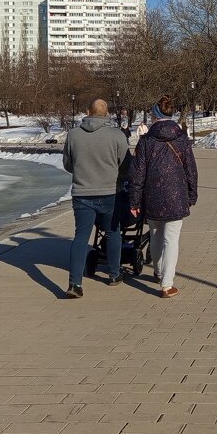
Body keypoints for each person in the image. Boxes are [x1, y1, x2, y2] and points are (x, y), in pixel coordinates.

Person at [129, 94, 198, 298]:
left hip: (152, 195)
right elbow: (191, 170)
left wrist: (134, 200)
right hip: (177, 195)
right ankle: (167, 284)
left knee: (156, 234)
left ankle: (159, 272)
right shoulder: (182, 139)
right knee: (171, 239)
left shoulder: (146, 141)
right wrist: (192, 194)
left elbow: (138, 173)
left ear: (155, 116)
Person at [62, 98, 129, 298]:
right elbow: (125, 165)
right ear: (107, 113)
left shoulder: (73, 135)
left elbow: (67, 164)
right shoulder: (117, 135)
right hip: (111, 192)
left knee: (81, 237)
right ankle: (114, 274)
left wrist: (83, 172)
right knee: (113, 233)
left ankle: (75, 284)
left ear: (87, 111)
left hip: (82, 193)